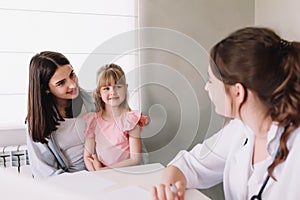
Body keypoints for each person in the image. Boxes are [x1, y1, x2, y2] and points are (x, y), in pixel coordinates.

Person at [152, 27, 300, 199]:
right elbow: (188, 165)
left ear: (238, 92)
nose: (206, 88)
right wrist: (168, 190)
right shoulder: (241, 128)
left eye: (211, 80)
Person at [26, 51, 95, 178]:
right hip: (69, 184)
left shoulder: (92, 102)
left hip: (103, 174)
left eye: (72, 74)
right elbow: (45, 173)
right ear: (45, 88)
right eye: (61, 83)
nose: (73, 84)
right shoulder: (37, 123)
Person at [83, 63, 148, 170]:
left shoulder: (130, 120)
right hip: (101, 174)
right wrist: (95, 172)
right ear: (99, 92)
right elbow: (87, 155)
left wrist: (106, 170)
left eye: (118, 86)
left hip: (127, 172)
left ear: (125, 88)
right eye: (106, 88)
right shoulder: (93, 121)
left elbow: (135, 159)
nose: (113, 92)